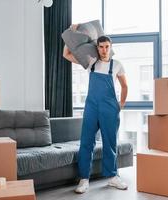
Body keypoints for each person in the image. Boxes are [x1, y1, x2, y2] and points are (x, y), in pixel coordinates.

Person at [63, 30, 128, 194]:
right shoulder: (91, 62)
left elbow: (125, 86)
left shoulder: (117, 65)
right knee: (86, 142)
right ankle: (84, 179)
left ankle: (113, 177)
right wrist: (69, 34)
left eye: (107, 47)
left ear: (110, 47)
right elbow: (67, 54)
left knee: (110, 143)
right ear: (97, 48)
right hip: (91, 107)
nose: (104, 50)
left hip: (109, 108)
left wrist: (121, 104)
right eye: (101, 47)